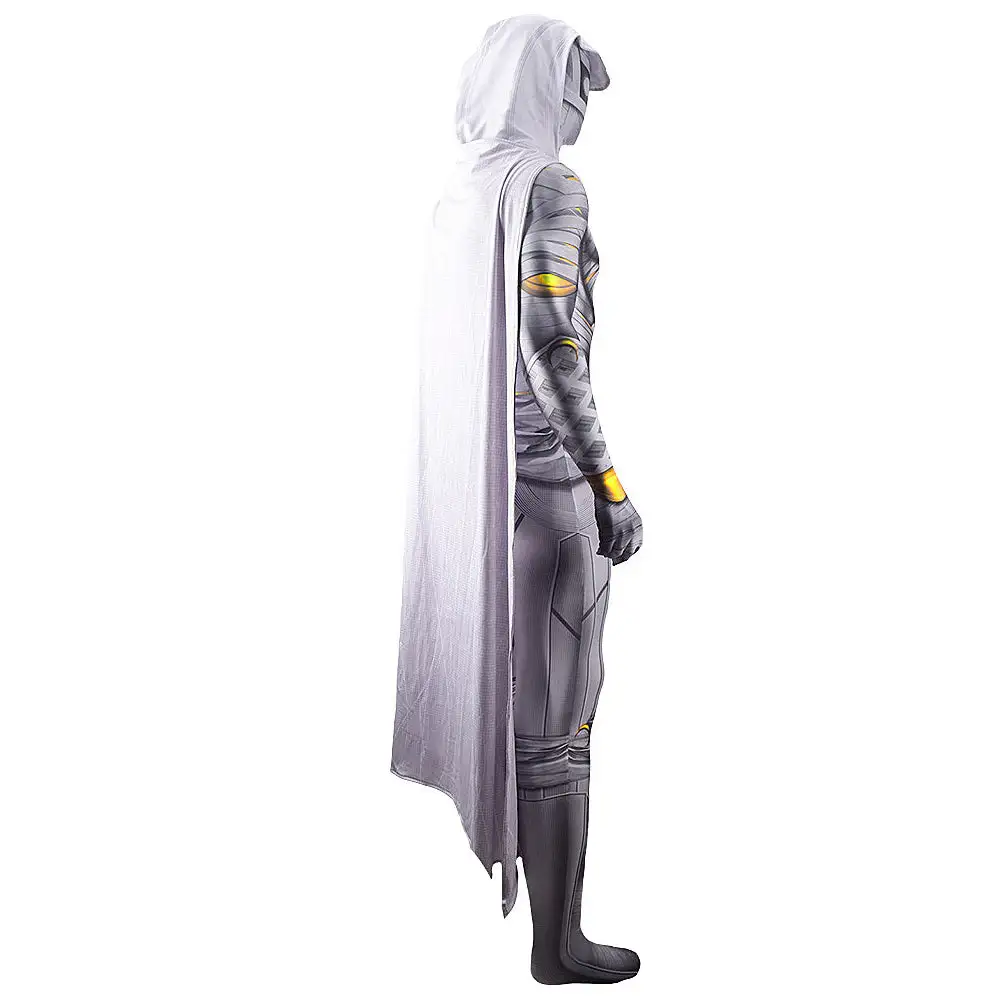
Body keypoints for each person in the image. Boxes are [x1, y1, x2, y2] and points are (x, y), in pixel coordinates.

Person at [392, 17, 643, 984]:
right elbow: (550, 345)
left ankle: (554, 934)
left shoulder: (462, 193)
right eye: (575, 81)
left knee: (542, 722)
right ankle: (559, 944)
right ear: (542, 83)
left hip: (479, 506)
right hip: (551, 496)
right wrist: (609, 485)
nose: (583, 104)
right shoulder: (549, 186)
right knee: (561, 730)